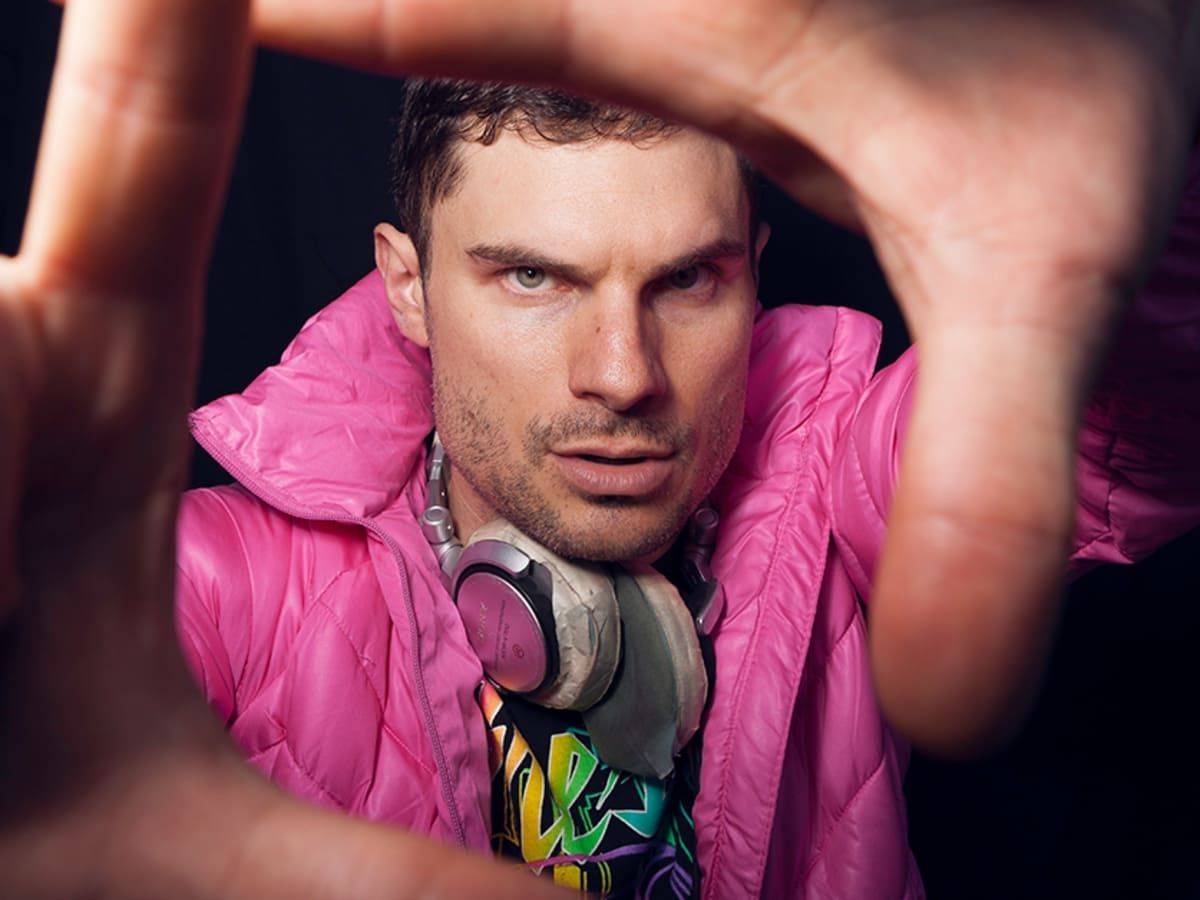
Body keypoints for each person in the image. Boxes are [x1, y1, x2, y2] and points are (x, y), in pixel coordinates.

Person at [2, 0, 1198, 898]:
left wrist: (1161, 191)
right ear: (408, 287)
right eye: (534, 277)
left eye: (688, 280)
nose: (623, 374)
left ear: (754, 275)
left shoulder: (829, 478)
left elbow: (1132, 441)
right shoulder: (191, 587)